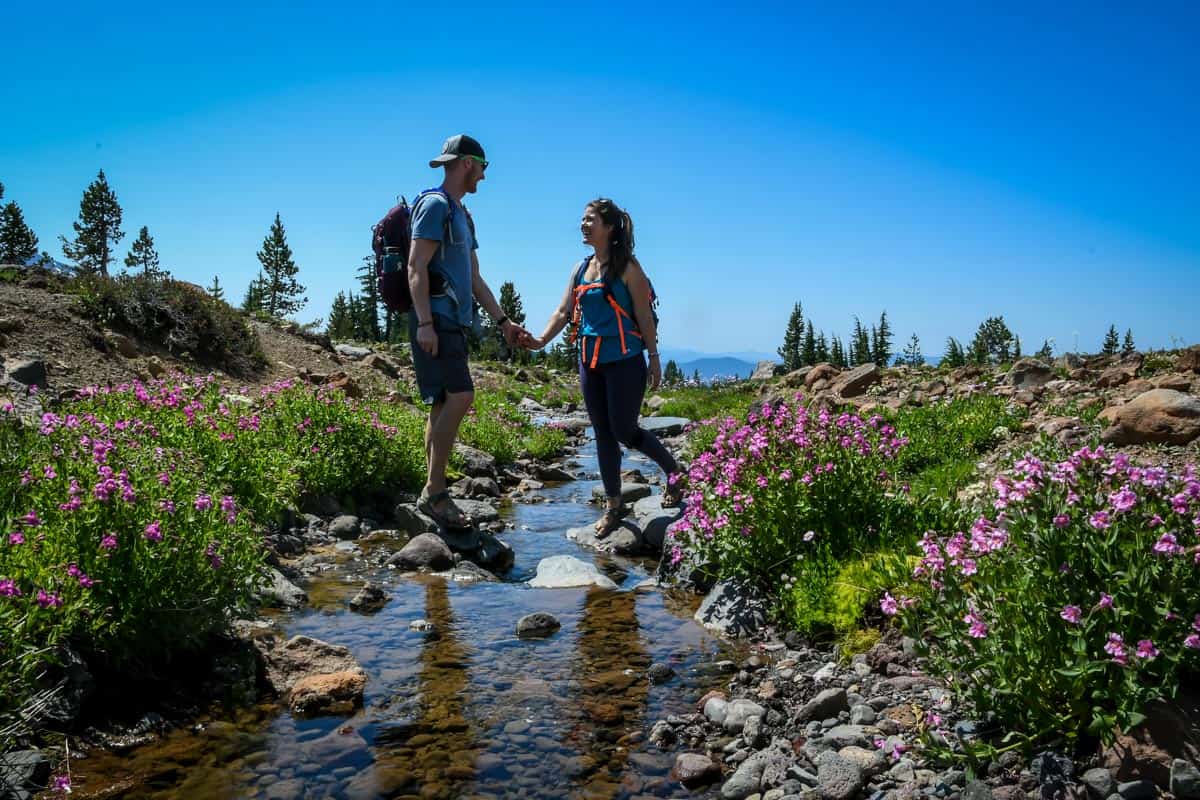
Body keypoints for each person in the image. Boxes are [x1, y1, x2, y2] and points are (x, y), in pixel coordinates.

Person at [525, 198, 684, 535]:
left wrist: (654, 359)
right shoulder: (580, 269)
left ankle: (675, 472)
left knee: (624, 430)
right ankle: (614, 506)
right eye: (582, 220)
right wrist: (540, 340)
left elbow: (644, 316)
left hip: (625, 361)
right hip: (590, 361)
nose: (584, 225)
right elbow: (563, 311)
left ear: (609, 227)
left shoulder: (628, 268)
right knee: (602, 434)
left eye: (591, 220)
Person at [409, 134, 529, 528]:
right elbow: (415, 267)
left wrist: (502, 322)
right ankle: (435, 492)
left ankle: (433, 487)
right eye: (483, 167)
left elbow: (474, 278)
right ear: (466, 163)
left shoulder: (462, 213)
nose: (484, 176)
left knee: (443, 401)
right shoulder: (434, 205)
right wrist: (425, 323)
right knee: (462, 396)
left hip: (454, 321)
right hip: (437, 320)